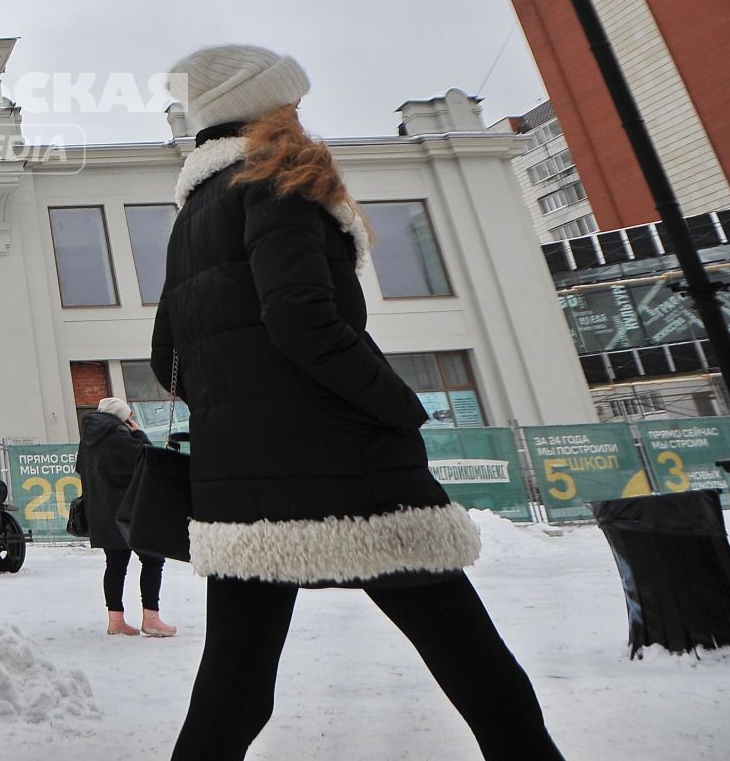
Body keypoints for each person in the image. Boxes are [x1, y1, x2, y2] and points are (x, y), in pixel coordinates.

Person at [152, 45, 562, 760]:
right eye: (291, 103)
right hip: (351, 468)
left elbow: (168, 358)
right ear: (265, 109)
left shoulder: (194, 213)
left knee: (236, 692)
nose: (301, 116)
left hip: (242, 489)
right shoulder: (278, 179)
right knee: (480, 671)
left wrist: (242, 414)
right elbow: (304, 321)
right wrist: (399, 408)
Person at [75, 397, 177, 637]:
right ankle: (151, 618)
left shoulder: (89, 439)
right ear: (120, 416)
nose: (132, 420)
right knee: (153, 559)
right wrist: (140, 434)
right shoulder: (118, 435)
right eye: (129, 416)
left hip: (102, 512)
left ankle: (115, 620)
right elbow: (148, 458)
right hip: (128, 511)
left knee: (116, 564)